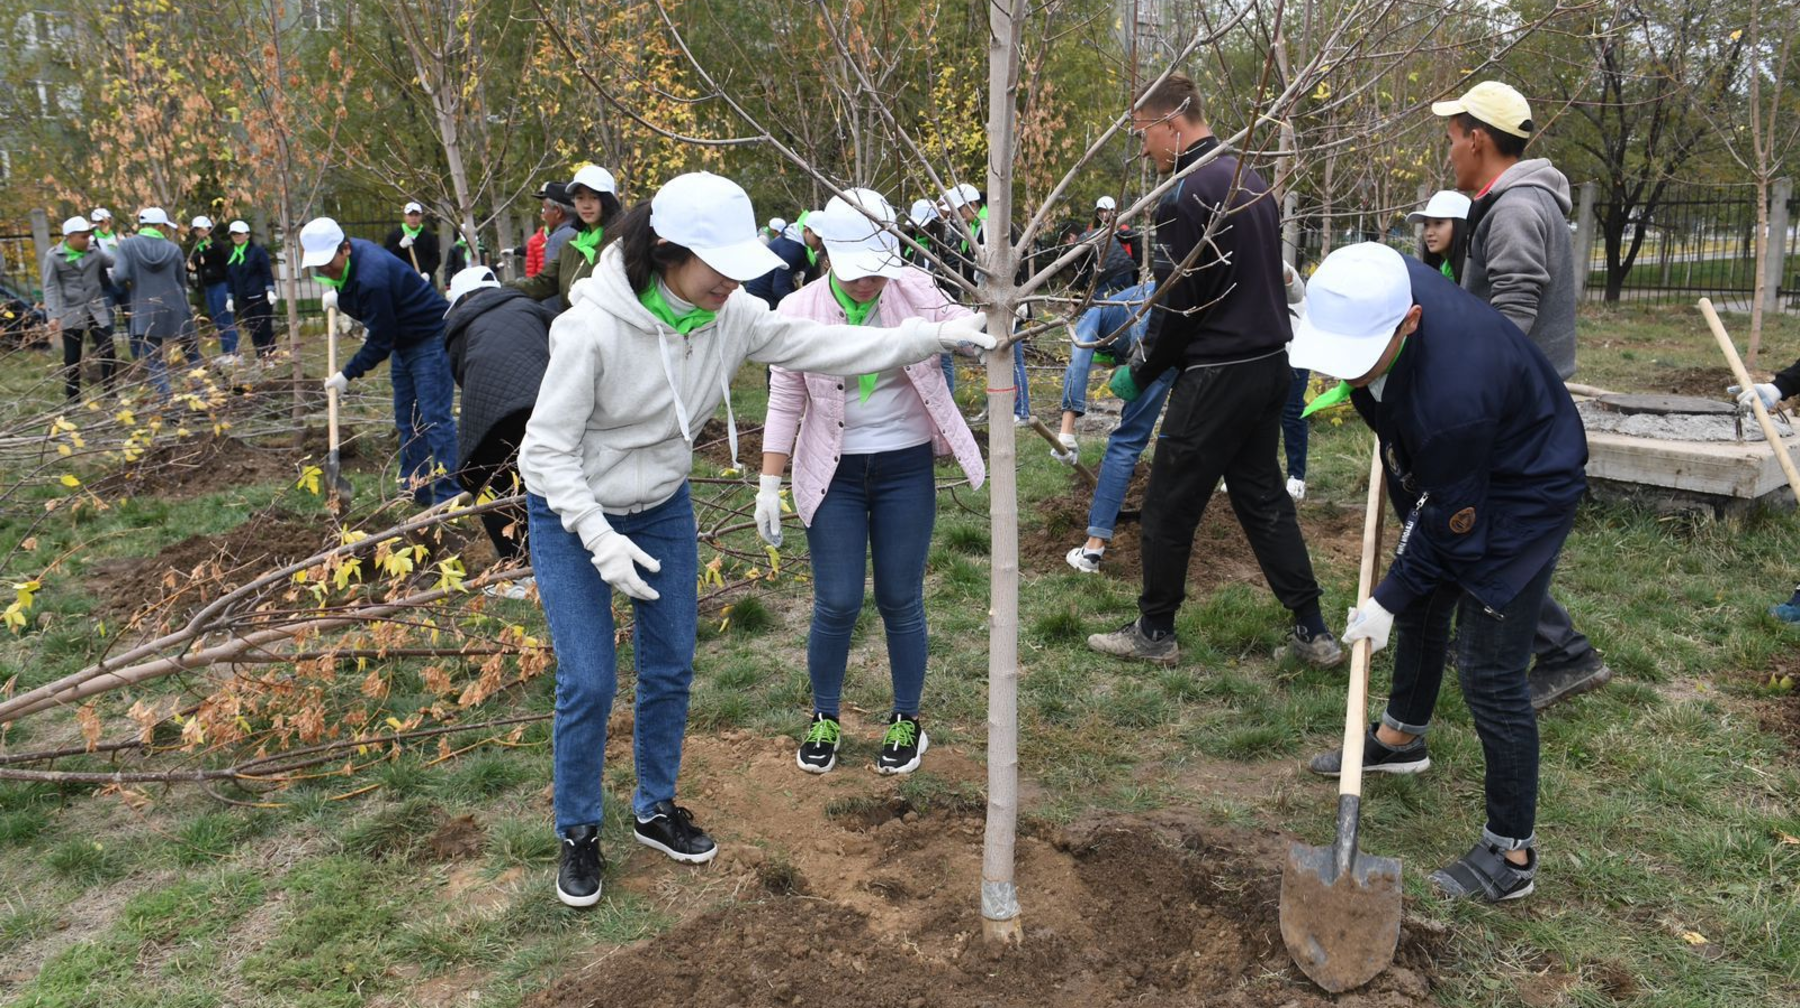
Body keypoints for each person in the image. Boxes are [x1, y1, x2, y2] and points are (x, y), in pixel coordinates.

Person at [517, 171, 993, 907]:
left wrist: (931, 334)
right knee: (590, 679)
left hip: (662, 507)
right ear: (669, 249)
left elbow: (819, 344)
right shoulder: (591, 328)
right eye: (723, 267)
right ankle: (579, 831)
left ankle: (653, 808)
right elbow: (543, 453)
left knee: (671, 667)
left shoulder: (730, 315)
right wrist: (597, 538)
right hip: (571, 511)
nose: (735, 283)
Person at [1293, 242, 1588, 902]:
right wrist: (1407, 566)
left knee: (1488, 667)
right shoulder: (1376, 279)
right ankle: (1401, 739)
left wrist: (1388, 595)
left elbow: (1454, 519)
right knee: (1423, 597)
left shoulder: (1454, 396)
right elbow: (1412, 461)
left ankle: (1511, 856)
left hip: (1525, 489)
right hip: (1464, 467)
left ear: (1411, 322)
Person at [1086, 73, 1342, 669]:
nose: (1142, 149)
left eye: (1143, 134)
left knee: (1169, 503)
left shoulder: (1190, 192)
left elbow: (1181, 304)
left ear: (1172, 127)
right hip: (1268, 365)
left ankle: (1154, 632)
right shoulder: (1248, 181)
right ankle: (1313, 629)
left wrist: (1142, 368)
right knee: (1262, 497)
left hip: (1220, 372)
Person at [757, 188, 987, 777]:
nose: (868, 284)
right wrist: (768, 481)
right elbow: (785, 397)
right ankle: (825, 716)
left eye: (878, 272)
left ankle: (907, 717)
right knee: (836, 601)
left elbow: (961, 325)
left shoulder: (915, 291)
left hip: (903, 466)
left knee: (899, 598)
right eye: (857, 273)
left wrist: (985, 322)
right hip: (832, 471)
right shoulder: (798, 311)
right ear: (827, 252)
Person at [1435, 80, 1611, 710]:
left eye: (1453, 138)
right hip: (1526, 390)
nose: (1449, 150)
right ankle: (1485, 631)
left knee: (1486, 526)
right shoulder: (1515, 200)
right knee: (1476, 522)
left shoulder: (1512, 208)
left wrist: (1471, 393)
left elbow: (1513, 307)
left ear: (1478, 139)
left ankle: (1566, 653)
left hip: (1514, 400)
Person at [302, 216, 461, 505]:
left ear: (345, 249)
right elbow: (361, 297)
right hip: (404, 341)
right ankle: (415, 490)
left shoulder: (370, 277)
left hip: (430, 338)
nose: (324, 269)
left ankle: (450, 493)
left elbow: (380, 340)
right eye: (318, 264)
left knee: (434, 419)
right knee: (407, 421)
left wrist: (347, 374)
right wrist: (342, 298)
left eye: (328, 262)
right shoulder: (352, 264)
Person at [443, 265, 555, 597]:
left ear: (462, 298)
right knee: (554, 475)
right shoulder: (532, 307)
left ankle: (519, 570)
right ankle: (572, 556)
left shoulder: (459, 326)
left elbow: (460, 373)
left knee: (489, 484)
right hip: (549, 403)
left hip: (494, 415)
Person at [1060, 281, 1172, 573]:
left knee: (1126, 442)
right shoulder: (1127, 301)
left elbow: (1079, 362)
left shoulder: (1093, 315)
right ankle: (1170, 530)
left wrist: (1066, 432)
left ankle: (1093, 550)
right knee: (1181, 434)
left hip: (1153, 333)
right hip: (1192, 329)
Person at [941, 182, 1033, 425]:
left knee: (1013, 356)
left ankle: (1021, 410)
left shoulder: (990, 226)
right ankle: (1003, 403)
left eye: (960, 209)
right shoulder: (974, 226)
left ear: (972, 205)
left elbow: (997, 266)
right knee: (998, 354)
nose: (956, 215)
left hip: (1010, 300)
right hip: (989, 300)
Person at [508, 165, 621, 312]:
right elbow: (544, 282)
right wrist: (501, 288)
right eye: (580, 198)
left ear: (607, 200)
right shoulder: (572, 245)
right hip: (572, 329)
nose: (586, 205)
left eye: (594, 197)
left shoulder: (619, 243)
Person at [111, 207, 198, 398]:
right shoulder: (173, 249)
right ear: (159, 226)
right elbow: (181, 282)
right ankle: (203, 395)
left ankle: (167, 402)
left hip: (146, 309)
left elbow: (120, 276)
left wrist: (116, 276)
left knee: (155, 360)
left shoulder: (127, 246)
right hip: (176, 306)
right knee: (191, 353)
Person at [42, 215, 119, 402]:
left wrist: (127, 250)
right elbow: (50, 286)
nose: (87, 240)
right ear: (70, 237)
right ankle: (73, 398)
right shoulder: (54, 256)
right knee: (72, 356)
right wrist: (53, 315)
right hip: (72, 311)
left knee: (108, 350)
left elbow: (114, 262)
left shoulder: (94, 253)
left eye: (88, 236)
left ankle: (110, 393)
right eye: (83, 237)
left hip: (97, 308)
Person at [1278, 261, 1311, 501]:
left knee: (1291, 412)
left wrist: (1283, 271)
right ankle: (1248, 473)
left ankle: (1296, 477)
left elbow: (1296, 289)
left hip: (1293, 348)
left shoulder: (1270, 258)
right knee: (1251, 411)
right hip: (1254, 349)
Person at [186, 215, 239, 362]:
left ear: (209, 229)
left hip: (221, 284)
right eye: (196, 230)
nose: (199, 233)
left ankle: (234, 353)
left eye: (201, 229)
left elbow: (206, 256)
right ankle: (226, 352)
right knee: (218, 320)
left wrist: (194, 259)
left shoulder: (215, 246)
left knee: (225, 319)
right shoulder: (201, 246)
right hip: (209, 286)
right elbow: (194, 265)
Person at [223, 220, 278, 361]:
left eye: (239, 234)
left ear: (247, 235)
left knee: (264, 327)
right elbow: (230, 277)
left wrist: (270, 290)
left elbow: (266, 272)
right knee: (253, 328)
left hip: (260, 296)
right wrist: (230, 297)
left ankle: (270, 355)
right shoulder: (231, 255)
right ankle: (260, 356)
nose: (237, 237)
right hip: (244, 298)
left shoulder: (257, 252)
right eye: (234, 234)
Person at [745, 212, 821, 308]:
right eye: (818, 238)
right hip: (761, 299)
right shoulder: (791, 249)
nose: (821, 243)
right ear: (806, 231)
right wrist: (801, 307)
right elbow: (780, 287)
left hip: (770, 296)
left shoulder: (801, 244)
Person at [1409, 190, 1472, 284]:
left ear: (1460, 226)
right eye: (1426, 225)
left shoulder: (1475, 270)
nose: (1429, 233)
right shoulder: (1441, 268)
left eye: (1438, 223)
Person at [1077, 196, 1137, 296]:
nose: (1103, 214)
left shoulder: (1122, 228)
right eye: (1100, 210)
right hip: (1101, 270)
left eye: (1105, 210)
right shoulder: (1092, 229)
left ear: (1113, 211)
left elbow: (1128, 250)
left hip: (1120, 268)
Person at [384, 201, 442, 282]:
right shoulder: (394, 236)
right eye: (410, 215)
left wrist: (428, 273)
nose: (413, 218)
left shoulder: (428, 236)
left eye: (417, 215)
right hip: (402, 281)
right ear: (404, 216)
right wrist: (400, 246)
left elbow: (436, 257)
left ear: (421, 216)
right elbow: (387, 257)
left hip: (423, 280)